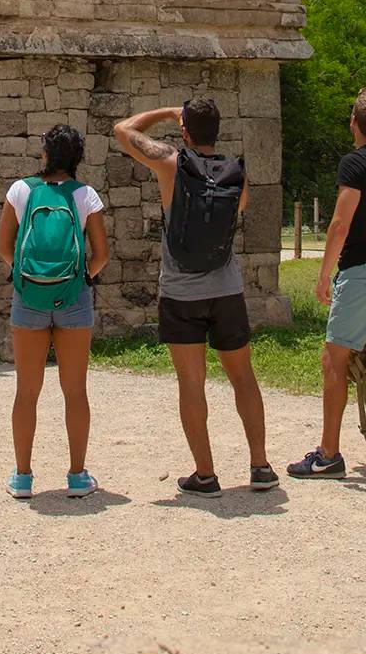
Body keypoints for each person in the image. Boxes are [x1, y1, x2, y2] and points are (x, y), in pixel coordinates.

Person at [112, 98, 279, 497]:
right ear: (217, 130)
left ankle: (205, 474)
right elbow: (238, 209)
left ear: (186, 130)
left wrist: (167, 114)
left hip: (182, 291)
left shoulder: (171, 163)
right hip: (226, 289)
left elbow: (123, 131)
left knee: (191, 382)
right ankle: (260, 465)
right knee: (243, 378)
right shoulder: (235, 172)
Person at [288, 88, 366, 480]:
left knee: (335, 358)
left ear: (354, 124)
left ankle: (329, 453)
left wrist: (325, 272)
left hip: (360, 270)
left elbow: (341, 223)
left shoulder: (354, 164)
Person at [0, 122, 109, 498]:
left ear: (45, 153)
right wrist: (81, 280)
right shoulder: (86, 195)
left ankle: (23, 477)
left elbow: (4, 247)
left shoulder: (21, 190)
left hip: (29, 296)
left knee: (26, 391)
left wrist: (24, 278)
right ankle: (77, 476)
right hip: (74, 300)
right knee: (75, 390)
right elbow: (101, 255)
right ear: (76, 157)